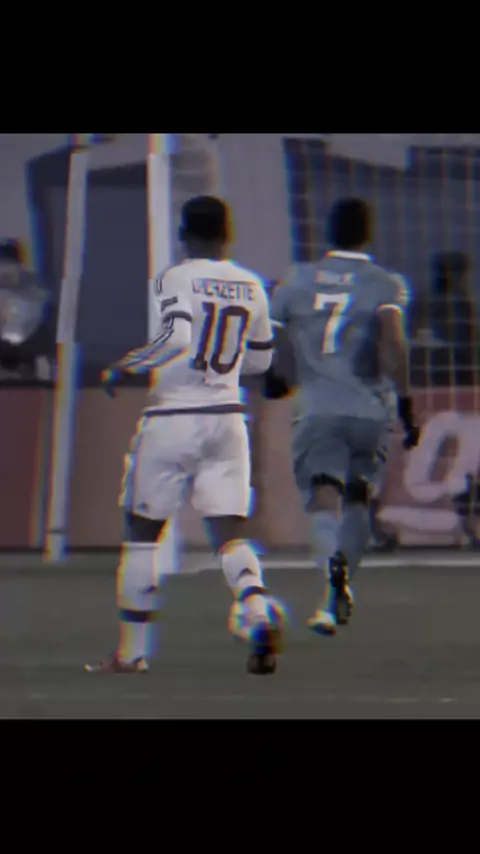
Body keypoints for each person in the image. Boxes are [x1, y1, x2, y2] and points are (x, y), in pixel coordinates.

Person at [86, 196, 286, 676]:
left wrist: (126, 365)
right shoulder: (252, 285)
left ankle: (132, 653)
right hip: (228, 418)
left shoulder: (174, 278)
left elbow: (176, 338)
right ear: (228, 234)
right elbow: (261, 361)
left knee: (143, 534)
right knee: (228, 534)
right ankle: (256, 608)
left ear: (184, 235)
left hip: (174, 416)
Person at [265, 198, 420, 634]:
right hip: (369, 408)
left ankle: (330, 585)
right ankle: (338, 593)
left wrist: (278, 379)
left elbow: (277, 343)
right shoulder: (386, 284)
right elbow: (393, 343)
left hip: (317, 408)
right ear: (368, 234)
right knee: (358, 499)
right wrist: (406, 402)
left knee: (323, 498)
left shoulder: (296, 279)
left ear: (327, 232)